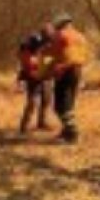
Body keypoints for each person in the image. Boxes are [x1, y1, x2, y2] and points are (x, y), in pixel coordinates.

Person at [48, 13, 90, 144]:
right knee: (69, 102)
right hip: (77, 70)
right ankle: (66, 131)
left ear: (59, 24)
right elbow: (85, 56)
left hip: (64, 71)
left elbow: (53, 54)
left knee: (60, 105)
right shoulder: (81, 36)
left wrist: (46, 68)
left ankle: (72, 133)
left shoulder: (60, 35)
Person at [17, 31, 54, 135]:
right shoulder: (29, 44)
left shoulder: (50, 46)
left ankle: (42, 122)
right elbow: (27, 63)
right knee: (32, 101)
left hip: (43, 74)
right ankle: (24, 126)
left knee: (46, 99)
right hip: (32, 75)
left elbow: (50, 60)